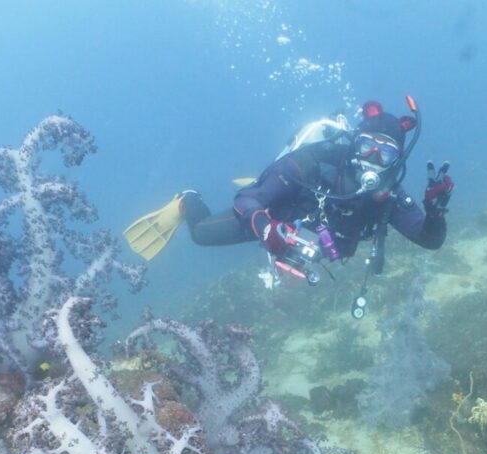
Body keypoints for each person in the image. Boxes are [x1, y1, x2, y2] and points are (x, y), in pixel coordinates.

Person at [124, 97, 454, 312]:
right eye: (368, 146)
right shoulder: (313, 162)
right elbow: (248, 199)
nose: (373, 159)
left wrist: (436, 212)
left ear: (397, 160)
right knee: (200, 234)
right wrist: (266, 225)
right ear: (355, 143)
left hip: (309, 245)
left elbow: (430, 239)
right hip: (277, 213)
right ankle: (187, 199)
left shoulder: (388, 194)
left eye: (385, 153)